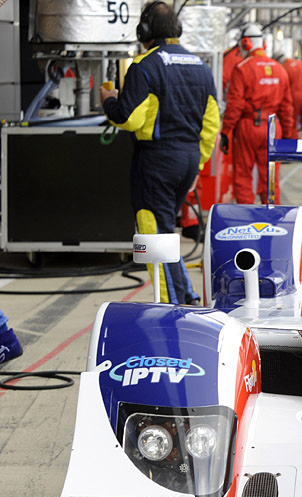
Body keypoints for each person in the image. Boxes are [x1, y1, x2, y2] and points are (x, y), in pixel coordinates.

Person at [100, 1, 218, 305]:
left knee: (154, 238)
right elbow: (211, 123)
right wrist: (197, 164)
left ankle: (168, 307)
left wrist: (109, 101)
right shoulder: (201, 67)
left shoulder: (145, 65)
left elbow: (129, 118)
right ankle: (186, 295)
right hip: (188, 160)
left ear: (145, 31)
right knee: (166, 231)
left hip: (155, 163)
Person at [220, 24, 296, 205]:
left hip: (248, 127)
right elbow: (287, 108)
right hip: (272, 126)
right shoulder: (279, 69)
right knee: (270, 178)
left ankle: (246, 219)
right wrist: (288, 136)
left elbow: (235, 105)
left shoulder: (241, 68)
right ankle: (273, 219)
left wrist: (226, 131)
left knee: (244, 176)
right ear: (263, 43)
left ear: (245, 44)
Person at [282, 54, 302, 139]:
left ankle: (295, 147)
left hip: (295, 96)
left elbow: (284, 84)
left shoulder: (285, 67)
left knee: (293, 122)